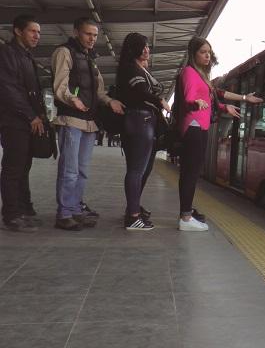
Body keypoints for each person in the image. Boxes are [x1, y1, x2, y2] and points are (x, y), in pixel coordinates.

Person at [177, 36, 262, 231]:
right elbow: (189, 99)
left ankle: (186, 213)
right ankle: (185, 218)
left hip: (201, 126)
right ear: (193, 54)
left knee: (193, 171)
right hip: (193, 126)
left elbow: (217, 96)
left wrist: (240, 100)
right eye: (203, 52)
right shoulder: (189, 73)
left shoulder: (202, 76)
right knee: (190, 171)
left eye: (209, 52)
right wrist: (195, 103)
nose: (208, 55)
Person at [51, 17, 125, 231]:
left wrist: (111, 101)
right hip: (71, 119)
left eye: (94, 35)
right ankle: (64, 213)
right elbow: (59, 85)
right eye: (87, 34)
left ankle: (74, 208)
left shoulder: (91, 59)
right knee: (70, 170)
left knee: (82, 171)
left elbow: (99, 92)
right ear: (76, 32)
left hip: (90, 123)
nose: (92, 38)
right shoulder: (64, 52)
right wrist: (71, 98)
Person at [116, 32, 171, 230]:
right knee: (136, 169)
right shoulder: (131, 69)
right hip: (140, 120)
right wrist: (159, 100)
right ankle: (132, 216)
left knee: (143, 169)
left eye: (148, 46)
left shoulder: (139, 69)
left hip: (146, 121)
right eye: (143, 46)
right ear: (133, 49)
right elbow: (141, 93)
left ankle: (133, 207)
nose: (147, 50)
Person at [0, 15, 46, 232]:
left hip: (26, 121)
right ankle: (11, 214)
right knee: (13, 168)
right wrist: (31, 115)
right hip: (14, 121)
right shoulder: (7, 54)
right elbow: (9, 90)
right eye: (32, 31)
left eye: (39, 32)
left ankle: (23, 209)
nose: (37, 36)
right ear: (18, 31)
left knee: (23, 168)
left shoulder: (27, 57)